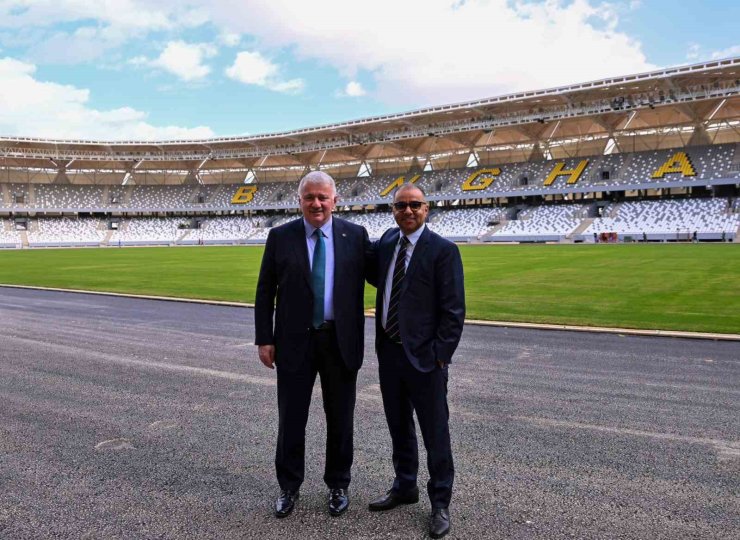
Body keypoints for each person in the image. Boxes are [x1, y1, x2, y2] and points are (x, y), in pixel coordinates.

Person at [254, 171, 371, 518]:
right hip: (293, 342)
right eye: (309, 197)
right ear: (300, 201)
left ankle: (338, 483)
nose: (316, 203)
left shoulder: (356, 235)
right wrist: (264, 338)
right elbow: (265, 291)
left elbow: (385, 273)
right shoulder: (280, 236)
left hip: (340, 341)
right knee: (291, 418)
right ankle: (289, 487)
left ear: (335, 200)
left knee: (340, 418)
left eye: (323, 197)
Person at [368, 184, 465, 539]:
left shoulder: (443, 250)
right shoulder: (387, 243)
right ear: (393, 210)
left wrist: (440, 358)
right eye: (400, 205)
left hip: (426, 360)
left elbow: (454, 312)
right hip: (390, 352)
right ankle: (405, 486)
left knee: (435, 432)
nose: (407, 211)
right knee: (399, 426)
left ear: (427, 209)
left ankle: (440, 501)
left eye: (414, 205)